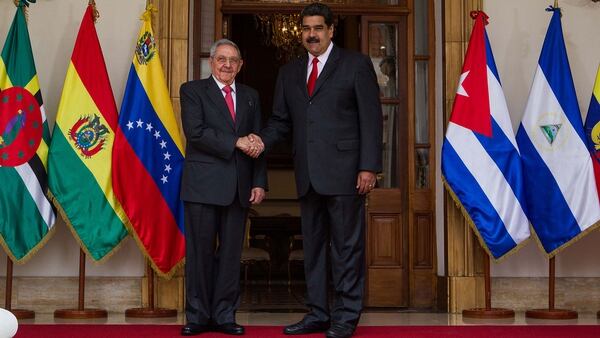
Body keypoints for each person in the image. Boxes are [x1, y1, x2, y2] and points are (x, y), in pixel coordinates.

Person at [248, 3, 383, 338]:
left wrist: (369, 167)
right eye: (306, 28)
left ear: (331, 30)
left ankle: (346, 316)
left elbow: (371, 119)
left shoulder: (355, 65)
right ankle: (318, 313)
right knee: (314, 249)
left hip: (346, 173)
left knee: (347, 248)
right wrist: (260, 141)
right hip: (308, 174)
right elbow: (281, 121)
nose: (311, 34)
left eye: (318, 28)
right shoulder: (290, 73)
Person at [179, 38, 267, 336]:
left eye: (233, 60)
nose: (227, 64)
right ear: (211, 62)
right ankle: (198, 316)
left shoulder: (251, 95)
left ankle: (225, 315)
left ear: (240, 66)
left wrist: (259, 181)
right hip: (203, 187)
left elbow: (257, 142)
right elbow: (196, 132)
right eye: (222, 59)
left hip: (239, 188)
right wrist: (236, 141)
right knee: (200, 254)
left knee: (230, 256)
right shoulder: (192, 91)